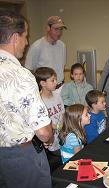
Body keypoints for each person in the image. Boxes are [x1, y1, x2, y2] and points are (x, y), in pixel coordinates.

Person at [0, 10, 53, 188]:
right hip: (21, 160)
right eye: (26, 36)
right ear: (16, 37)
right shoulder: (21, 75)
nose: (27, 42)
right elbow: (44, 132)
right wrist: (48, 138)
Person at [25, 16, 67, 92]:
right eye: (56, 29)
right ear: (48, 28)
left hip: (61, 88)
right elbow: (29, 70)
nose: (59, 33)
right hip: (45, 90)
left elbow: (62, 67)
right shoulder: (37, 46)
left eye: (61, 29)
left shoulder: (62, 46)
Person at [35, 67, 65, 169]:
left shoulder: (57, 95)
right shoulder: (39, 101)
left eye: (55, 79)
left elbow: (63, 113)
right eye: (52, 80)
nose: (56, 82)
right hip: (51, 142)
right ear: (43, 83)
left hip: (62, 136)